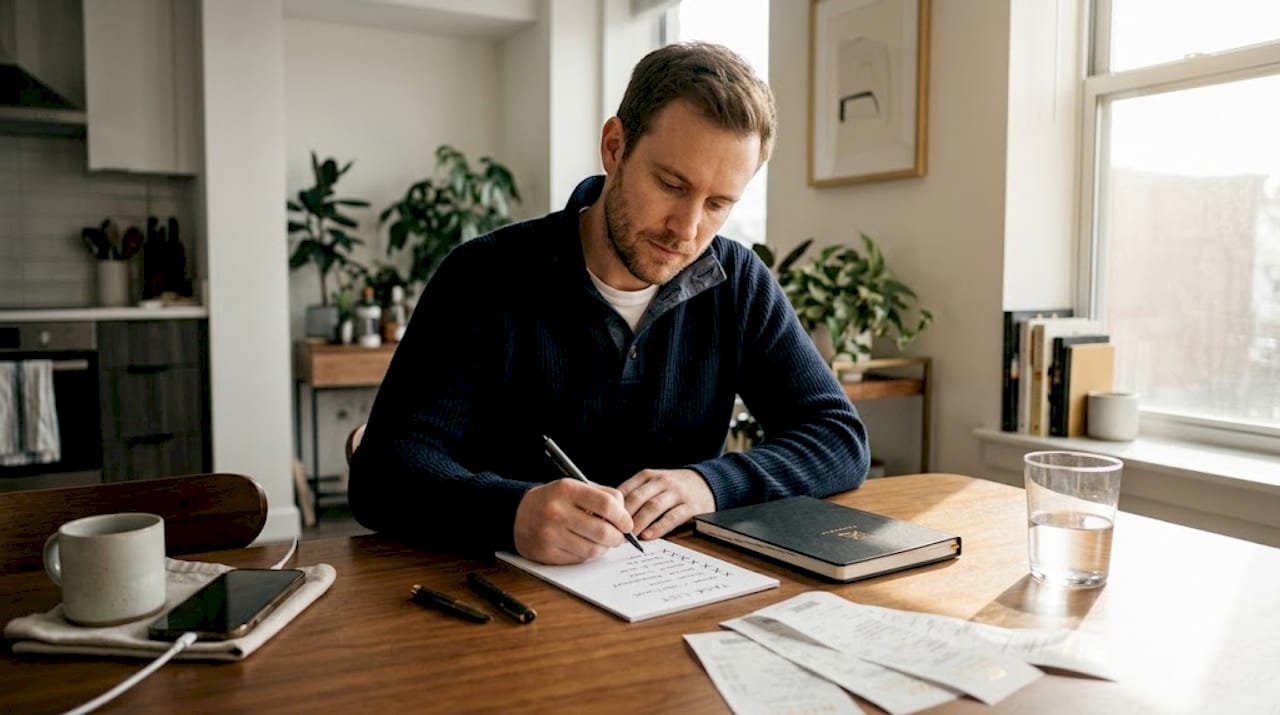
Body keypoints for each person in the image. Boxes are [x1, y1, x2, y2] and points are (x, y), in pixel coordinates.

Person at [348, 41, 869, 565]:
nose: (687, 230)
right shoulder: (482, 276)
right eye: (670, 184)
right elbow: (382, 476)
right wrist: (511, 513)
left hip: (671, 593)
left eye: (717, 204)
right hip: (503, 599)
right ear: (615, 147)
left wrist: (708, 484)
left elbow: (838, 438)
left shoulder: (738, 282)